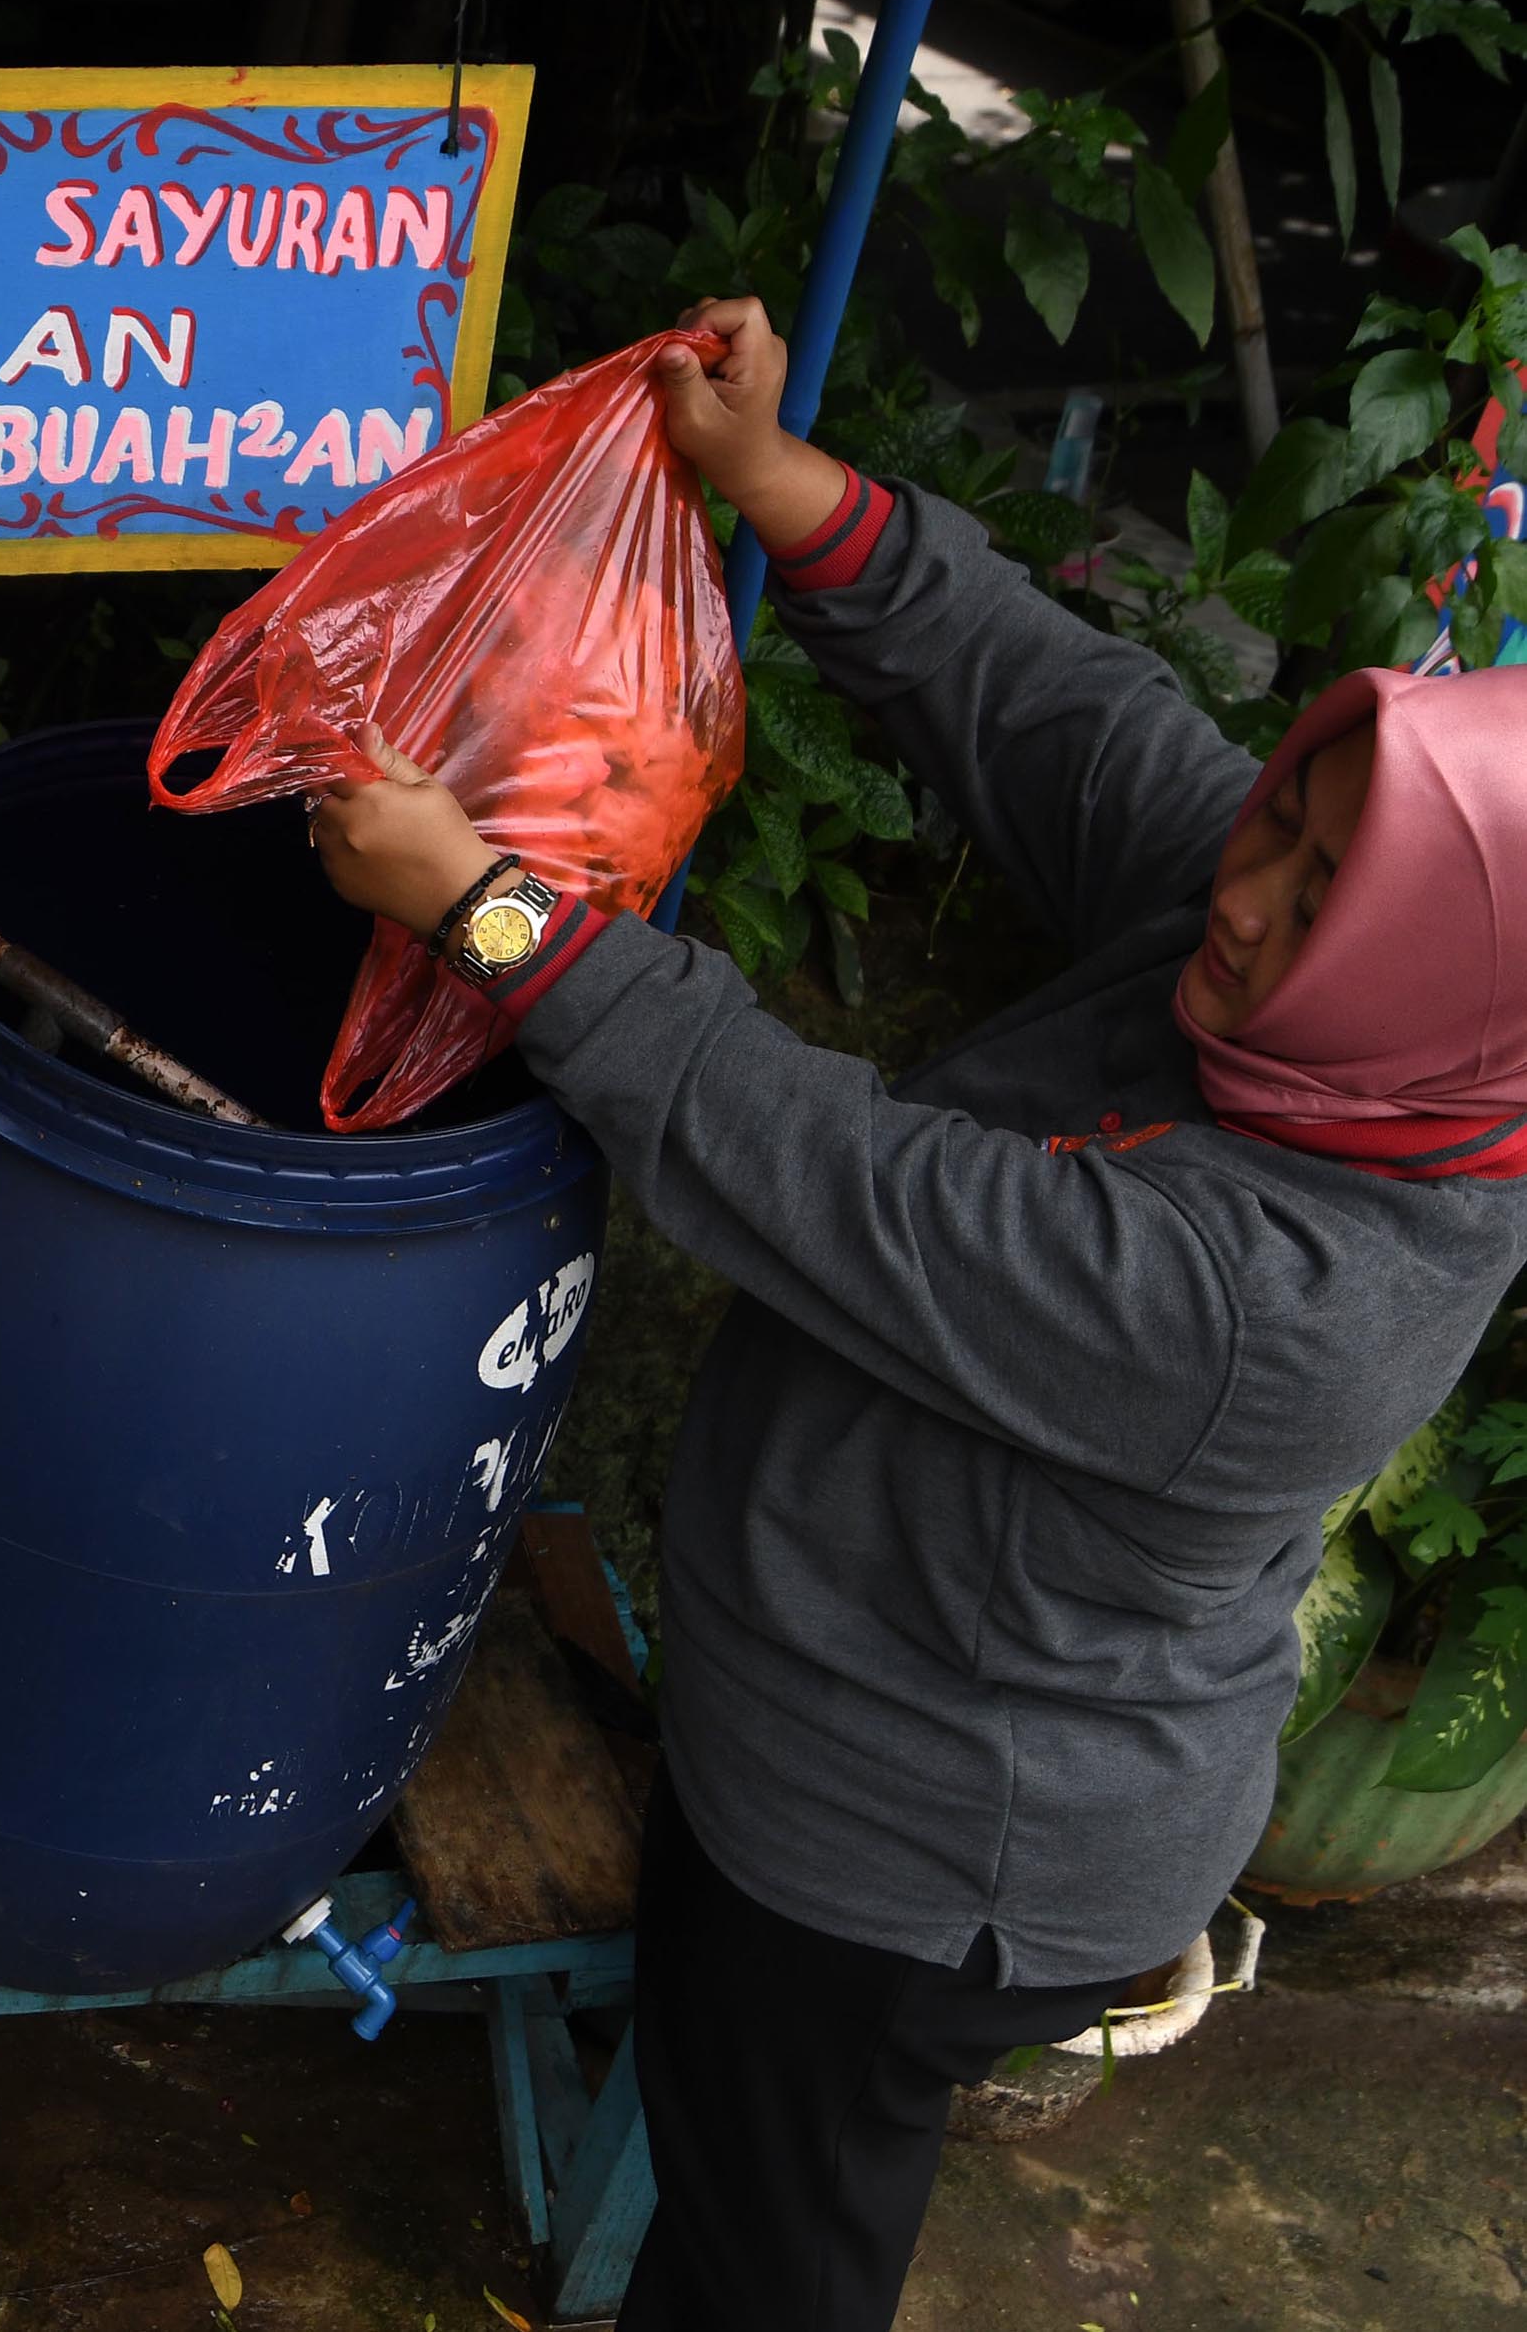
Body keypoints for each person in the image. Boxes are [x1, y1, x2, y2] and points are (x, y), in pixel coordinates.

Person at [306, 293, 1527, 2330]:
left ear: (1435, 988)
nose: (1246, 896)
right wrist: (781, 486)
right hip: (851, 1695)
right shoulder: (1327, 1008)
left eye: (1321, 899)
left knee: (766, 2257)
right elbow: (1066, 716)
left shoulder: (1278, 1295)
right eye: (1284, 825)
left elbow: (827, 1173)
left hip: (913, 1843)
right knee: (727, 2121)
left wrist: (489, 903)